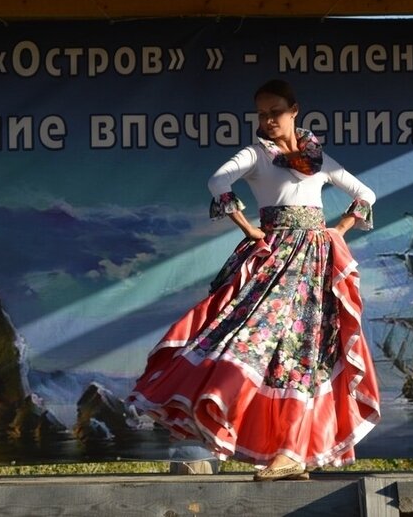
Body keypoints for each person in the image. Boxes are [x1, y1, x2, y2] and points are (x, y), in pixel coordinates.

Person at [129, 79, 380, 481]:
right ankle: (279, 445)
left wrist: (339, 230)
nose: (268, 120)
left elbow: (365, 193)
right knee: (255, 341)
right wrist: (248, 228)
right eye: (262, 114)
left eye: (275, 112)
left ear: (294, 111)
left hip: (315, 263)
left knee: (304, 352)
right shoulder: (256, 154)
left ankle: (293, 452)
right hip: (274, 259)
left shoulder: (317, 158)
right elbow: (217, 181)